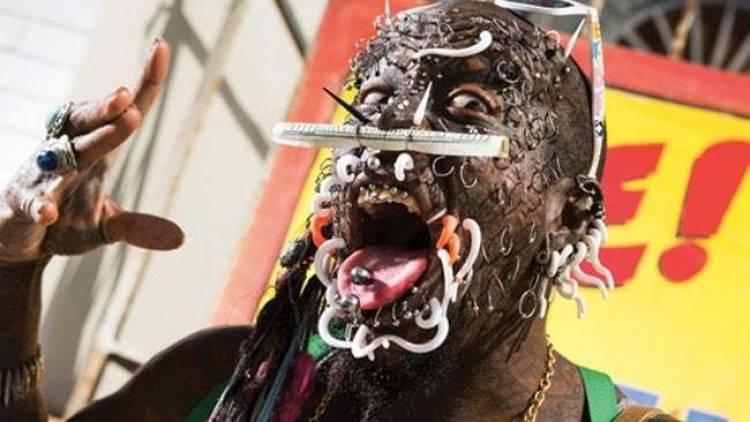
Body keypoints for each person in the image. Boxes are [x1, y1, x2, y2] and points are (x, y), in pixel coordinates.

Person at [0, 1, 677, 421]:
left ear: (569, 217)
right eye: (373, 100)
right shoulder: (229, 380)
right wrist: (14, 264)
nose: (388, 134)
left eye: (468, 108)